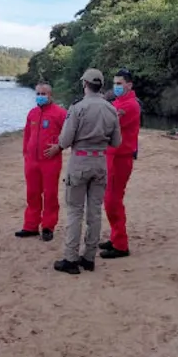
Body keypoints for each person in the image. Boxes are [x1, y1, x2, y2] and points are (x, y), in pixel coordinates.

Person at [44, 68, 121, 274]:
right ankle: (89, 258)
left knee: (75, 211)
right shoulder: (111, 109)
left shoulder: (78, 107)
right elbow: (116, 141)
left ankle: (70, 259)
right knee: (95, 212)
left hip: (80, 161)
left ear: (85, 84)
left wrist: (61, 145)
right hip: (100, 163)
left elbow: (66, 140)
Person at [15, 83, 67, 242]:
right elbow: (27, 135)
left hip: (50, 161)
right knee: (32, 194)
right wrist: (26, 154)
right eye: (38, 93)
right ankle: (30, 226)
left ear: (50, 95)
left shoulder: (60, 113)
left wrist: (59, 147)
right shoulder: (32, 113)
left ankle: (48, 227)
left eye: (43, 93)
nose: (40, 96)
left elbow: (70, 134)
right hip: (32, 161)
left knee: (50, 195)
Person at [100, 68, 142, 259]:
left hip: (121, 158)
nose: (116, 86)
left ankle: (121, 245)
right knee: (110, 199)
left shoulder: (130, 106)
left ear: (129, 85)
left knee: (113, 200)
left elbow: (107, 125)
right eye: (114, 83)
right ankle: (116, 237)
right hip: (112, 156)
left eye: (119, 83)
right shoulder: (118, 103)